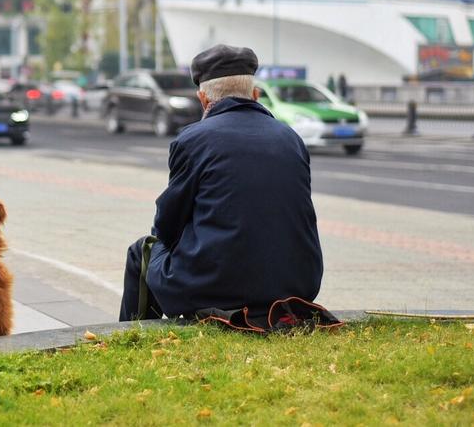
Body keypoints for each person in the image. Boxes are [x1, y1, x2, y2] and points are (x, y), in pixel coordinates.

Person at [119, 44, 323, 321]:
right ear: (255, 95)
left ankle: (136, 337)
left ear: (203, 99)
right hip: (298, 286)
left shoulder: (192, 140)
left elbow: (167, 226)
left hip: (217, 287)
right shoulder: (291, 139)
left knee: (141, 252)